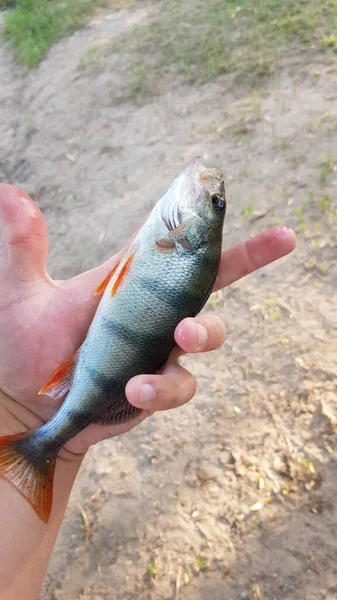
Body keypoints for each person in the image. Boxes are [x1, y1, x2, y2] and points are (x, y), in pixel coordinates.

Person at [0, 183, 296, 599]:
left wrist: (26, 418)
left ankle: (42, 444)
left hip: (47, 419)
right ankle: (41, 444)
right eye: (216, 202)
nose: (212, 192)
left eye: (215, 203)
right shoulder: (174, 240)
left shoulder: (175, 239)